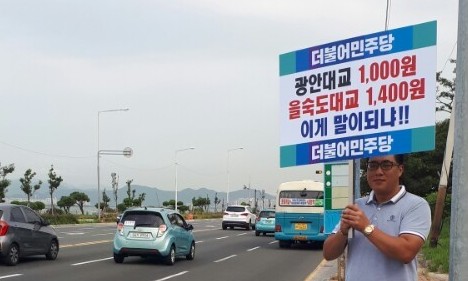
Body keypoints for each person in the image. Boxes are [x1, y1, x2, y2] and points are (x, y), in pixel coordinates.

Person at [322, 154, 431, 281]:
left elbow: (406, 252)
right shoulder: (356, 206)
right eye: (372, 166)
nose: (378, 171)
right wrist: (343, 232)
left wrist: (366, 227)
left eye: (386, 165)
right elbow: (328, 254)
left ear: (400, 169)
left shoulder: (416, 205)